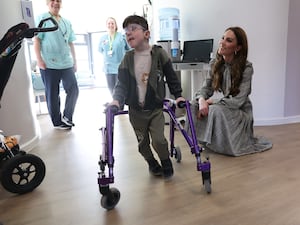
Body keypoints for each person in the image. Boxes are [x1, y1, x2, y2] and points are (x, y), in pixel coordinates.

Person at [110, 15, 185, 179]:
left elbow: (172, 78)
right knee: (142, 145)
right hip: (136, 111)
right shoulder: (127, 59)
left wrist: (178, 96)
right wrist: (116, 100)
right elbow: (121, 84)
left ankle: (166, 161)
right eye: (125, 32)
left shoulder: (159, 54)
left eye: (133, 29)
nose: (128, 33)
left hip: (155, 109)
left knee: (159, 141)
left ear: (146, 33)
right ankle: (152, 163)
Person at [189, 26, 272, 156]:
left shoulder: (246, 68)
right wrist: (201, 100)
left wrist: (210, 101)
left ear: (237, 48)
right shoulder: (215, 63)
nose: (222, 42)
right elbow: (205, 88)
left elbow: (238, 100)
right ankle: (199, 142)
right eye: (222, 38)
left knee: (215, 110)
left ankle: (224, 145)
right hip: (225, 105)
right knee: (192, 105)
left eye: (228, 40)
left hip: (239, 110)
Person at [33, 0, 79, 130]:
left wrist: (75, 61)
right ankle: (57, 122)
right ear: (47, 3)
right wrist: (39, 59)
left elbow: (71, 43)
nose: (55, 3)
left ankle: (67, 117)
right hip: (49, 63)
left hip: (66, 62)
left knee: (74, 89)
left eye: (58, 0)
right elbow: (37, 40)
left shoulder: (67, 22)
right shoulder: (42, 18)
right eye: (52, 0)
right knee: (52, 94)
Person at [98, 17, 130, 95]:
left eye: (112, 23)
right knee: (111, 88)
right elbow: (100, 50)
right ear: (106, 25)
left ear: (116, 25)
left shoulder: (122, 36)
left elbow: (129, 48)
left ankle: (120, 104)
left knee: (119, 88)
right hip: (108, 67)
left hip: (119, 66)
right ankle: (115, 104)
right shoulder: (103, 38)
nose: (111, 25)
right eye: (109, 23)